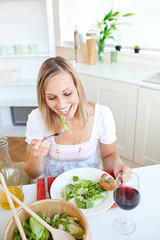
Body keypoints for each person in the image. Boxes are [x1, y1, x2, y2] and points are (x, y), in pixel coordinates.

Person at [24, 56, 130, 180]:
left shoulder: (102, 115)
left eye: (67, 93)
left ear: (77, 88)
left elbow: (109, 154)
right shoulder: (37, 119)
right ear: (43, 97)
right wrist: (37, 155)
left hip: (91, 185)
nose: (61, 105)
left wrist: (118, 164)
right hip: (52, 185)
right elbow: (32, 174)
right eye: (52, 98)